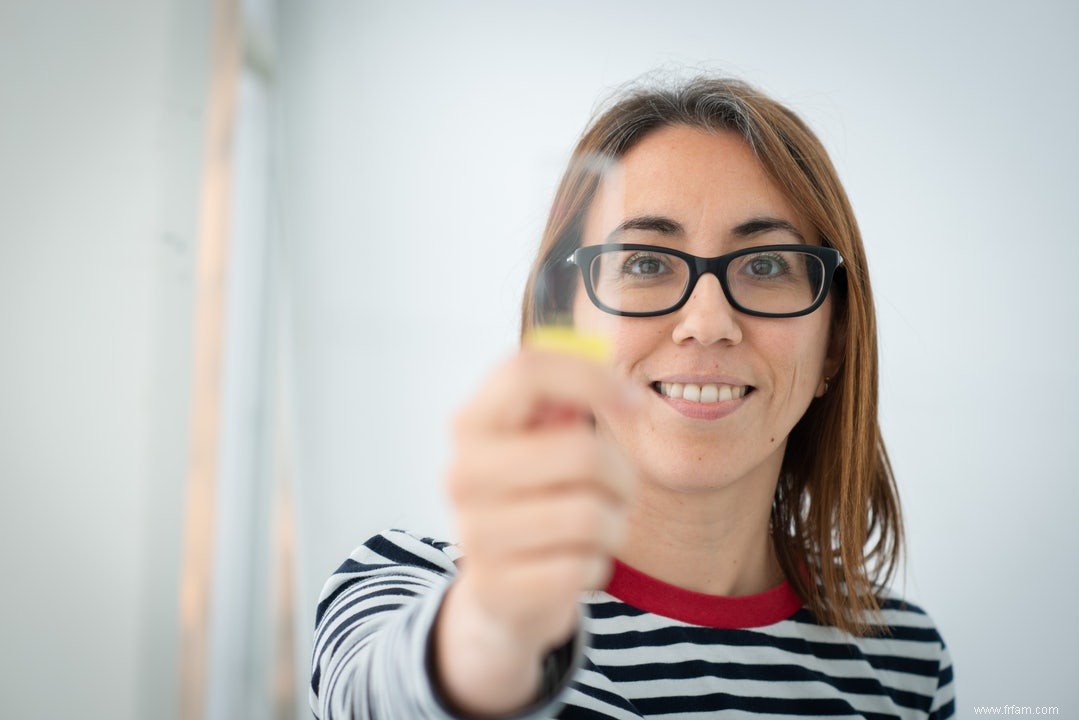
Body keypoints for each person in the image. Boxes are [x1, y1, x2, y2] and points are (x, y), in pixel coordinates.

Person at [310, 76, 955, 719]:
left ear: (835, 340)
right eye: (646, 262)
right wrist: (493, 629)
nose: (707, 322)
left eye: (765, 265)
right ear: (566, 322)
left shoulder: (907, 665)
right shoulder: (403, 590)